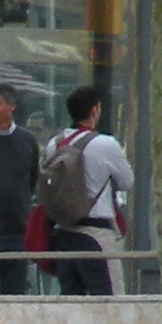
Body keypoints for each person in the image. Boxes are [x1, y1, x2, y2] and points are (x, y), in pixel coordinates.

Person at [37, 85, 131, 296]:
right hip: (96, 232)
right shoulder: (105, 144)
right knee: (109, 299)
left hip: (61, 232)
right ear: (94, 110)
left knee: (71, 300)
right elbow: (127, 182)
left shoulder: (54, 144)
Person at [0, 82, 38, 296]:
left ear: (12, 106)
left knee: (15, 295)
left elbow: (32, 180)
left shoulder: (27, 141)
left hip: (17, 232)